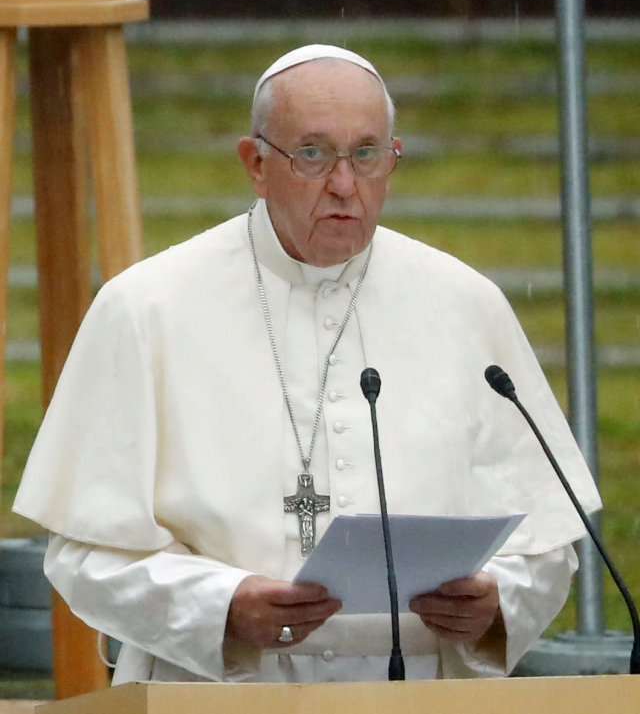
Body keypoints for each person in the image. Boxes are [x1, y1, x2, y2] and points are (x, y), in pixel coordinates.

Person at [14, 45, 601, 684]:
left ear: (392, 160)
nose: (345, 184)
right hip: (215, 695)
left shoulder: (466, 304)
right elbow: (86, 555)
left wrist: (496, 602)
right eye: (313, 155)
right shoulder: (145, 307)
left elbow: (545, 547)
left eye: (368, 154)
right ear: (256, 163)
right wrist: (222, 608)